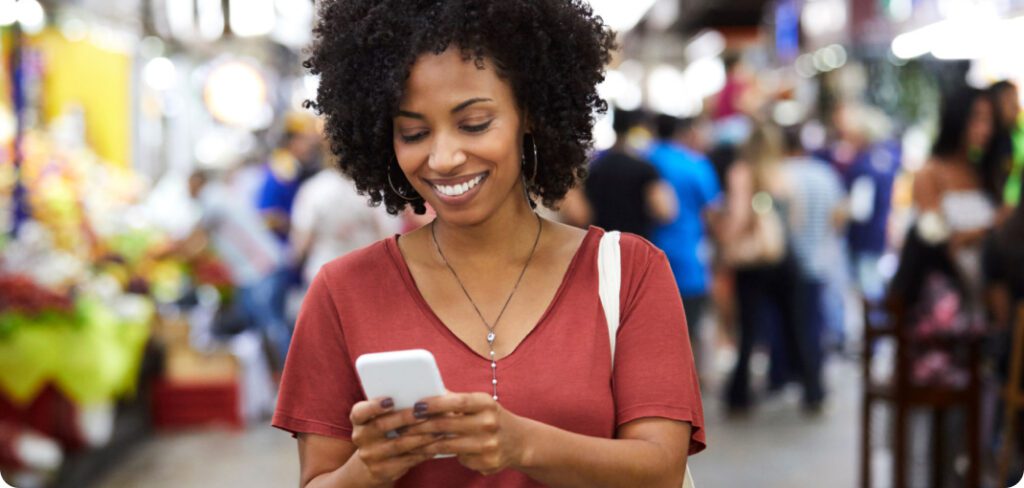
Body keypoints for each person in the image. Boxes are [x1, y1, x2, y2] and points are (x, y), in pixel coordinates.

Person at [272, 2, 706, 487]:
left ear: (531, 113)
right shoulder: (342, 292)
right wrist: (368, 468)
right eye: (413, 132)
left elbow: (661, 470)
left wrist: (521, 444)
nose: (444, 157)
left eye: (475, 123)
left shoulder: (629, 272)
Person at [716, 123, 824, 412]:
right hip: (784, 259)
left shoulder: (741, 172)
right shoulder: (785, 173)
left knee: (748, 330)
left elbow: (738, 216)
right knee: (797, 327)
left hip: (753, 263)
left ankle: (739, 395)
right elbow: (796, 219)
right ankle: (813, 392)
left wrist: (725, 242)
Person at [165, 170, 292, 367]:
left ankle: (290, 376)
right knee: (262, 330)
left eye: (188, 185)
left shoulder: (212, 200)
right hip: (256, 271)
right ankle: (277, 379)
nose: (187, 191)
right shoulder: (220, 197)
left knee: (272, 328)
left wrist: (168, 252)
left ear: (198, 182)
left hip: (262, 268)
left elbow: (196, 239)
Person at [645, 114, 721, 371]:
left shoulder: (644, 159)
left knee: (651, 332)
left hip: (645, 259)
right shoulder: (695, 165)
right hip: (689, 259)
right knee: (689, 329)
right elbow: (713, 213)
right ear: (682, 132)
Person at [912, 87, 999, 305]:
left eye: (990, 121)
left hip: (984, 293)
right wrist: (992, 227)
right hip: (948, 300)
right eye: (977, 118)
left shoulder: (981, 172)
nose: (985, 130)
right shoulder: (930, 172)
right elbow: (937, 241)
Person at [290, 166, 401, 287]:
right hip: (365, 274)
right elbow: (389, 236)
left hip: (322, 273)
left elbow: (301, 243)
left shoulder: (314, 188)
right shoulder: (374, 190)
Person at [583, 108, 677, 240]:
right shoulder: (645, 168)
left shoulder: (596, 167)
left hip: (601, 245)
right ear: (637, 129)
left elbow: (582, 214)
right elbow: (664, 212)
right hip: (636, 246)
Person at [257, 113, 324, 242]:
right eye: (304, 139)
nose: (310, 145)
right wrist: (294, 226)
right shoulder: (282, 170)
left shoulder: (298, 168)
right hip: (281, 247)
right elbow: (267, 215)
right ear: (291, 141)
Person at [988, 81, 1023, 209]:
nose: (1016, 107)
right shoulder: (987, 141)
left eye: (1016, 100)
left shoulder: (1014, 135)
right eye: (1009, 101)